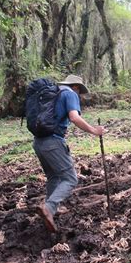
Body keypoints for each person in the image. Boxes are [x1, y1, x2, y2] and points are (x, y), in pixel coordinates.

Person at [34, 75, 104, 233]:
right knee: (70, 179)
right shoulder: (70, 94)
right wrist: (94, 130)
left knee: (54, 177)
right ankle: (49, 207)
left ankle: (50, 209)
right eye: (79, 91)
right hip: (53, 142)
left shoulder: (52, 94)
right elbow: (74, 117)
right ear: (77, 87)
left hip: (38, 143)